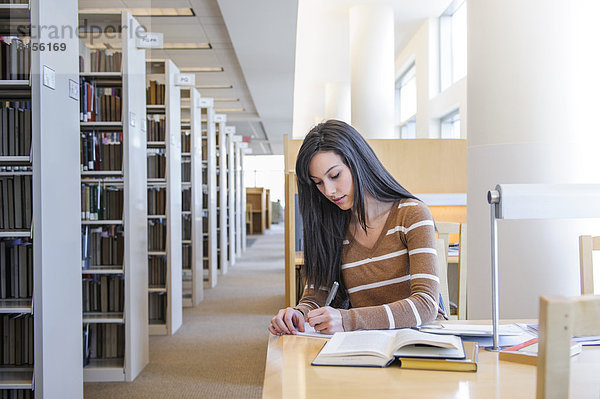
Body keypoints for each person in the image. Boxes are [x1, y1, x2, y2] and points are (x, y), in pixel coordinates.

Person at [268, 120, 445, 336]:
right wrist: (297, 314)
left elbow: (426, 304)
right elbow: (316, 297)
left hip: (422, 340)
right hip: (367, 343)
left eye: (335, 176)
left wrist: (348, 319)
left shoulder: (411, 213)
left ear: (358, 162)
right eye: (318, 183)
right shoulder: (331, 225)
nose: (329, 191)